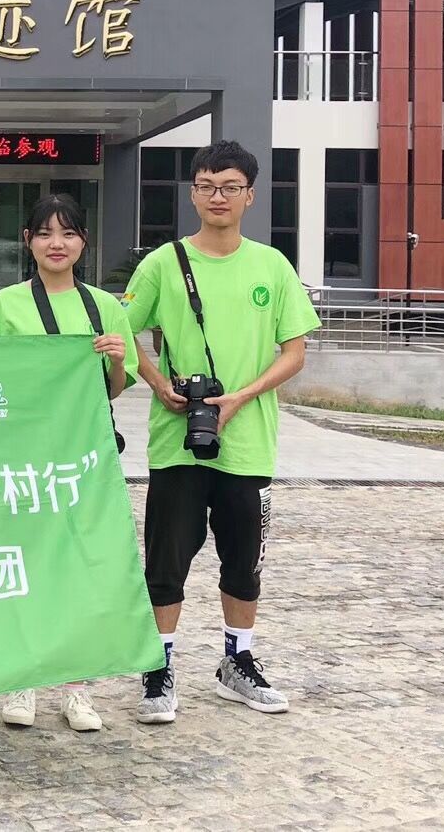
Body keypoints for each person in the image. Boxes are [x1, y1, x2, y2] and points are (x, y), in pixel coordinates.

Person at [119, 141, 320, 724]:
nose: (218, 197)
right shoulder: (164, 263)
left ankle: (239, 661)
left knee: (243, 561)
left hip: (248, 443)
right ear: (193, 193)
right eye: (207, 186)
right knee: (166, 562)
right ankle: (158, 669)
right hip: (177, 442)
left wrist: (242, 396)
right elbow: (120, 330)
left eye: (230, 186)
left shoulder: (272, 266)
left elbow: (295, 352)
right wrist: (158, 382)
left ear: (250, 195)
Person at [0, 192, 138, 734]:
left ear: (83, 242)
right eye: (44, 233)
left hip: (83, 461)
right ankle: (22, 679)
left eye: (67, 233)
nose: (56, 243)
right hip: (23, 456)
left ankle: (76, 688)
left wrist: (117, 361)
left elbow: (113, 390)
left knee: (80, 568)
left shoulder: (105, 307)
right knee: (24, 564)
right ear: (28, 241)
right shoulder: (6, 305)